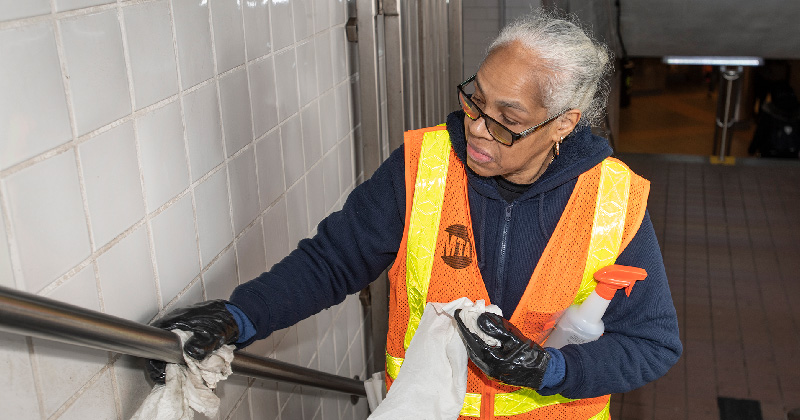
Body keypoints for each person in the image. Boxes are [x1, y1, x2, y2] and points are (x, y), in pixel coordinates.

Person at [147, 10, 682, 419]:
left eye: (507, 119)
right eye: (475, 99)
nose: (476, 126)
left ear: (562, 125)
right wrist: (236, 319)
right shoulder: (424, 165)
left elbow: (652, 344)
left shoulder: (612, 201)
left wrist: (552, 368)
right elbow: (333, 261)